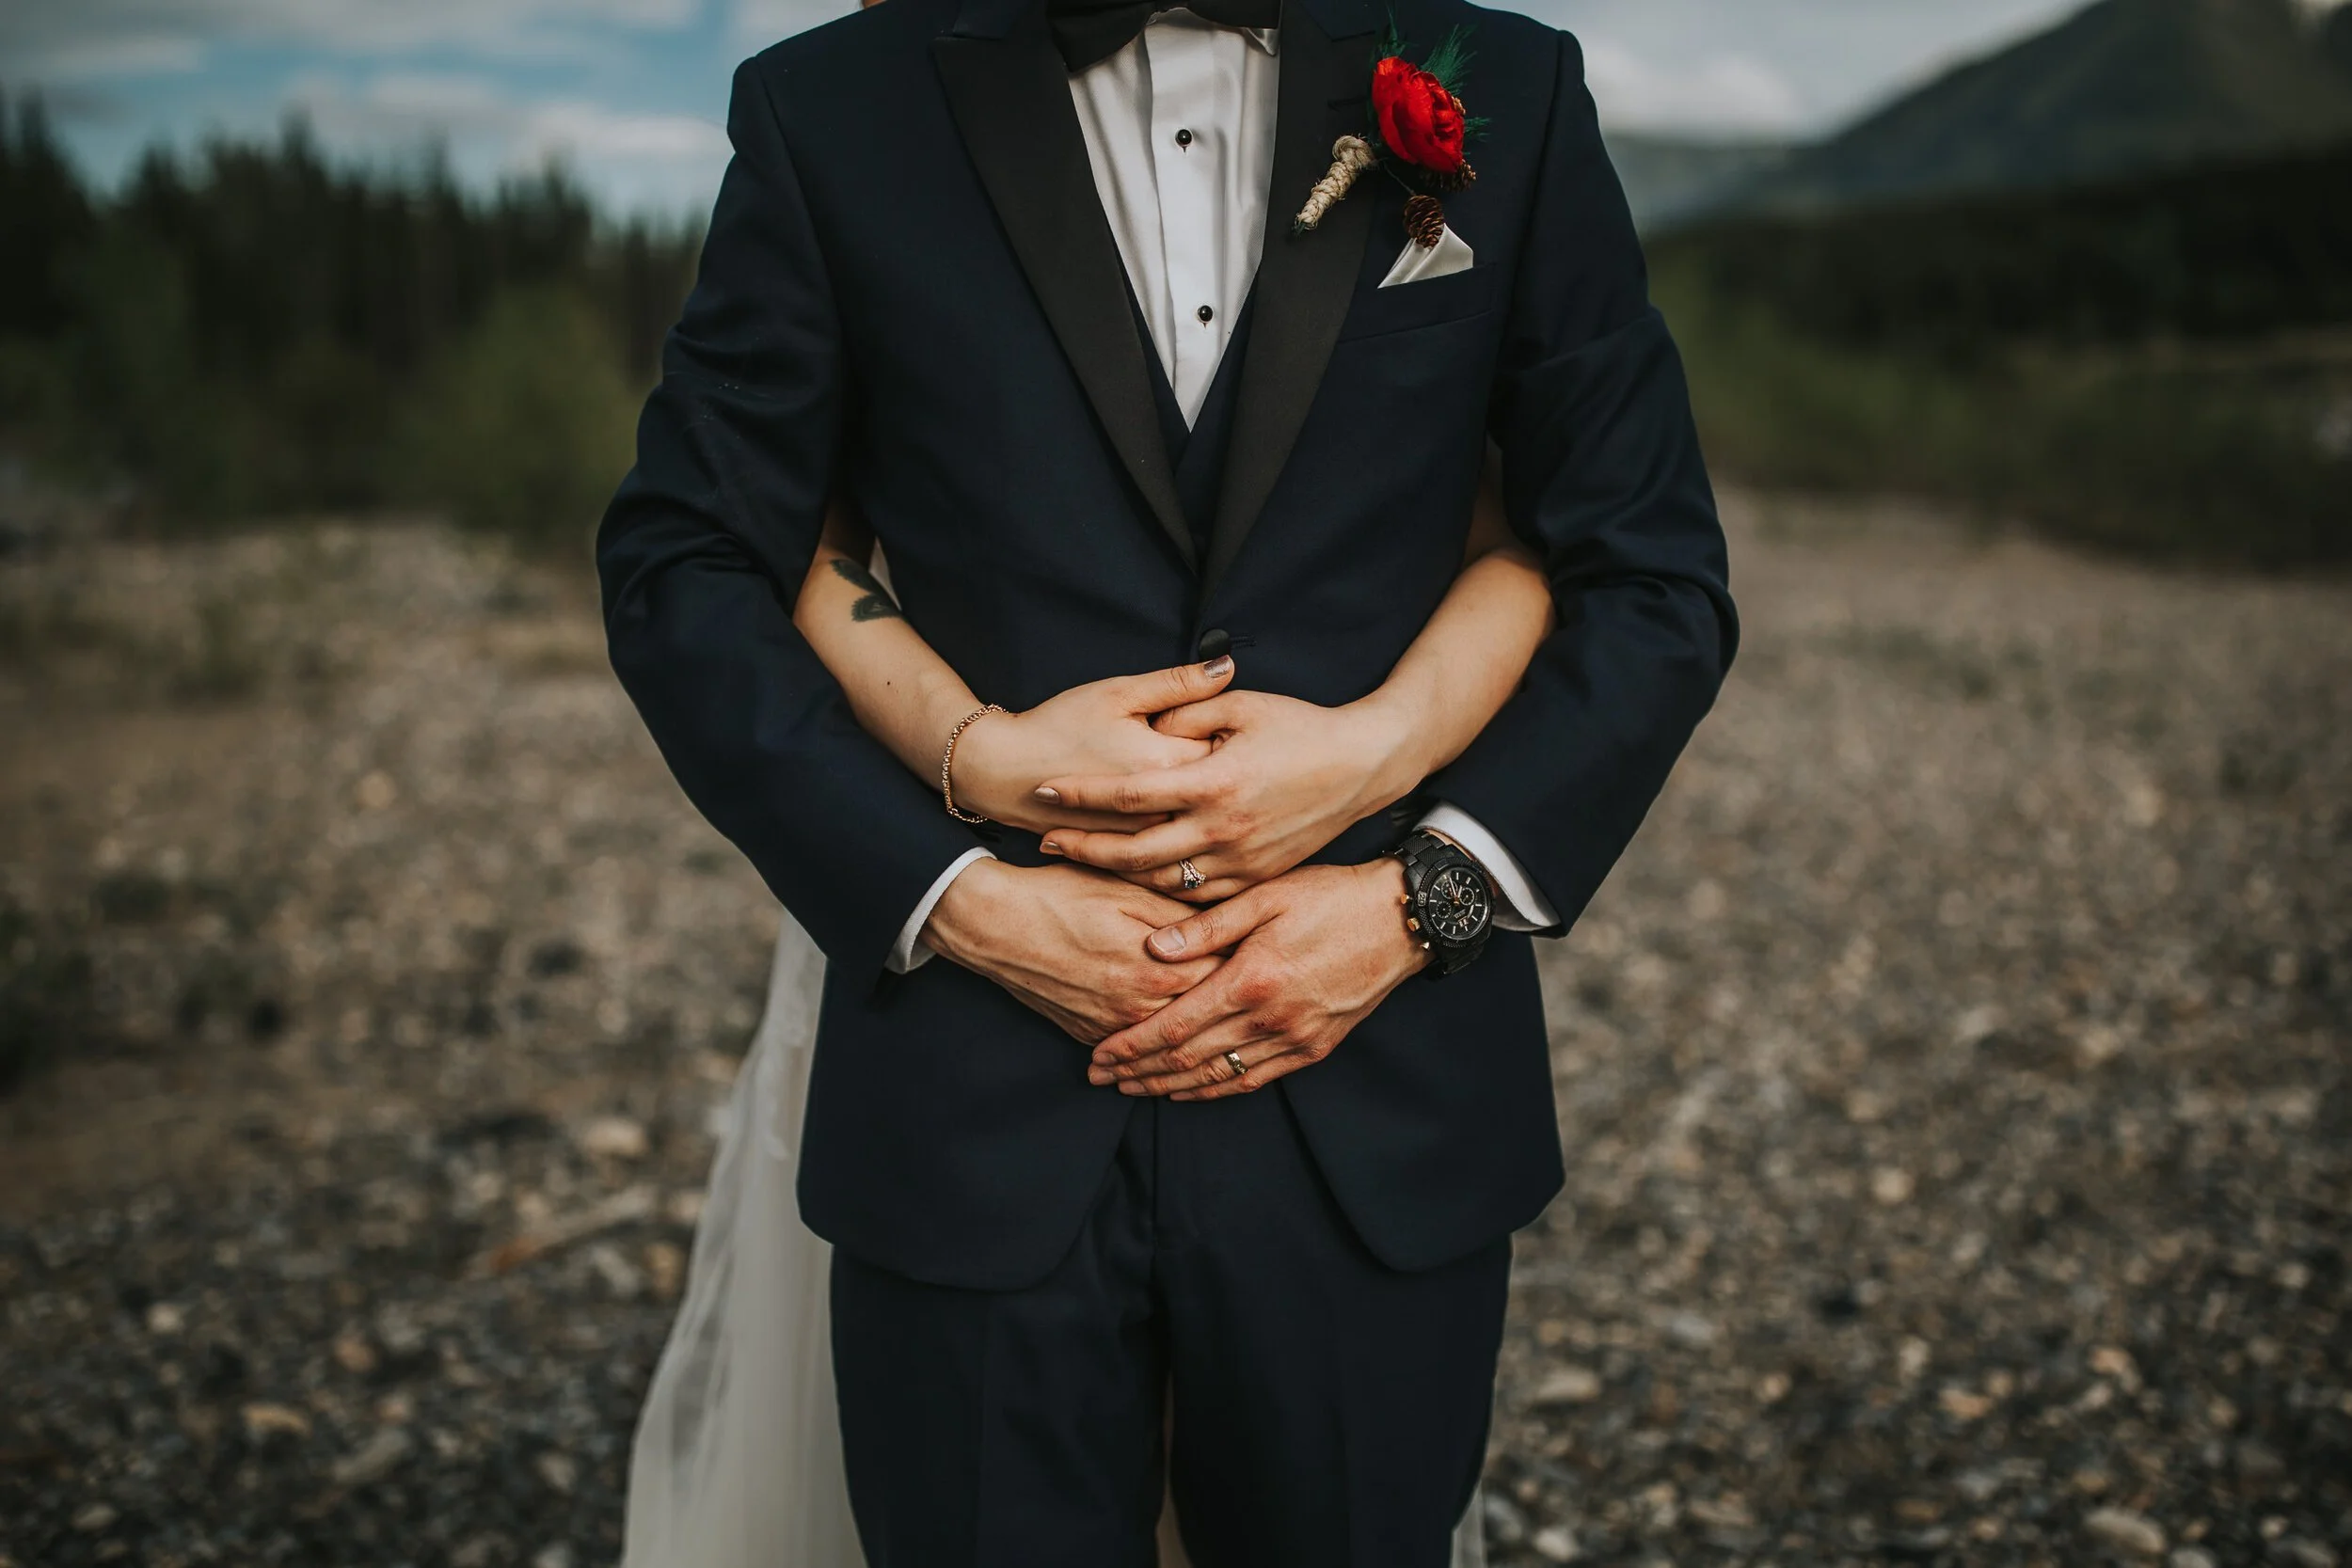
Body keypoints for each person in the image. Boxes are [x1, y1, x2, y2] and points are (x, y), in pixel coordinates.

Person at [597, 0, 1737, 1554]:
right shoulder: (833, 106)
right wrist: (964, 894)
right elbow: (690, 558)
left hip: (1373, 1087)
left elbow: (1649, 569)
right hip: (969, 1091)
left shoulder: (1509, 87)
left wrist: (1422, 897)